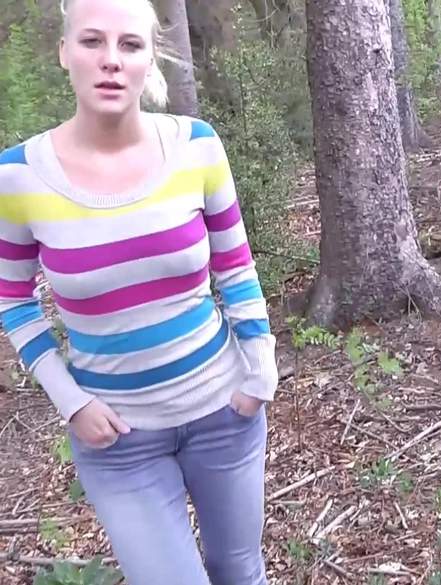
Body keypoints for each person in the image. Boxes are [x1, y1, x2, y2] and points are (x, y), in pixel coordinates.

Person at [0, 0, 278, 583]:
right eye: (91, 41)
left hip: (224, 413)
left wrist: (261, 369)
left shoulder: (196, 146)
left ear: (150, 59)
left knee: (238, 570)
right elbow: (14, 299)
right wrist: (70, 401)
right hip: (119, 442)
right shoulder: (17, 177)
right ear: (64, 52)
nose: (110, 60)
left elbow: (235, 266)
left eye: (129, 45)